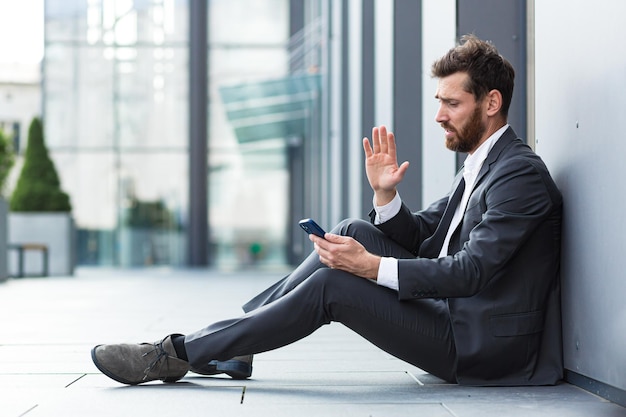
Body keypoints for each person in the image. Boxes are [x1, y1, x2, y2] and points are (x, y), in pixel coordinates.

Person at [91, 34, 563, 387]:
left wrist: (371, 267)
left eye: (452, 103)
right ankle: (234, 345)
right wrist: (384, 196)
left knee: (337, 281)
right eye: (438, 102)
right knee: (351, 229)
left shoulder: (518, 175)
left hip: (483, 347)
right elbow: (423, 237)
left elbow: (471, 272)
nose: (439, 115)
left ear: (492, 103)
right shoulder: (482, 165)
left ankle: (179, 353)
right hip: (456, 316)